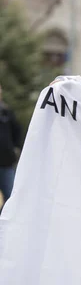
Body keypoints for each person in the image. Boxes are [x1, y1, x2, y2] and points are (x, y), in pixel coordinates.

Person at [0, 83, 22, 212]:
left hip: (6, 163)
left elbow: (17, 131)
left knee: (11, 198)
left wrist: (16, 149)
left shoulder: (6, 112)